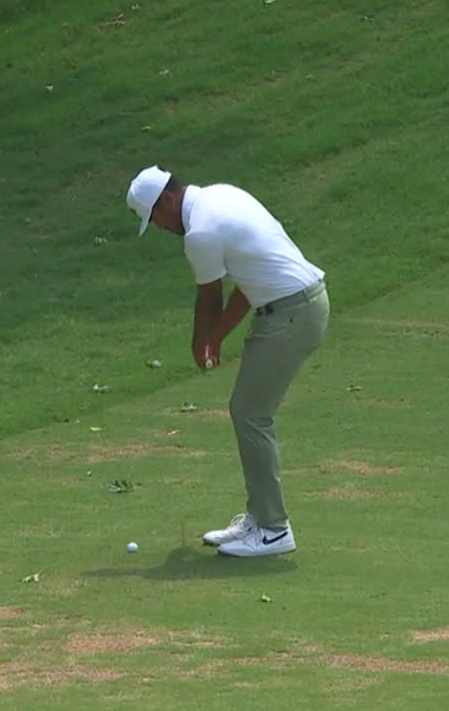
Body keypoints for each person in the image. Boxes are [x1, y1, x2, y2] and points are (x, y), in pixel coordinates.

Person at [125, 165, 329, 557]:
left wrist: (202, 342)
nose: (160, 228)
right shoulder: (220, 195)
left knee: (251, 413)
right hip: (297, 306)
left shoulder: (199, 232)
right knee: (248, 410)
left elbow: (209, 297)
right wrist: (215, 338)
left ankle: (273, 528)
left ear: (167, 201)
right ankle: (259, 516)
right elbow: (248, 281)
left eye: (156, 218)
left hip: (292, 314)